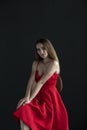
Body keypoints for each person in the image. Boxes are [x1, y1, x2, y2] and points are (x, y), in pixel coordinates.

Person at [13, 38, 69, 130]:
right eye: (38, 49)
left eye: (43, 48)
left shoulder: (53, 63)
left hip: (50, 100)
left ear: (49, 48)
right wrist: (27, 97)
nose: (41, 52)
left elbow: (41, 82)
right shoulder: (36, 63)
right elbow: (31, 80)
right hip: (37, 96)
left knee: (26, 109)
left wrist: (30, 99)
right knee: (24, 112)